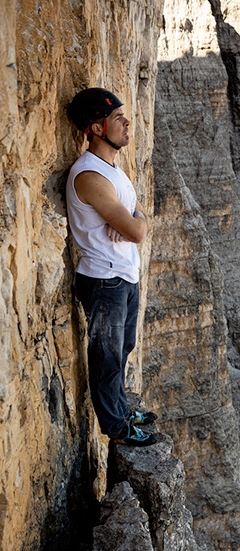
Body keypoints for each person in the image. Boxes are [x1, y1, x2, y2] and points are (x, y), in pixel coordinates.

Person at [66, 87, 157, 447]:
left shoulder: (111, 171)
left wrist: (136, 220)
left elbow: (138, 218)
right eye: (117, 117)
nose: (127, 122)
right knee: (106, 356)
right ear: (97, 128)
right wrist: (137, 223)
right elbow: (136, 228)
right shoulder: (90, 176)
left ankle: (120, 409)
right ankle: (117, 428)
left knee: (123, 347)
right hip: (104, 279)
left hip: (123, 275)